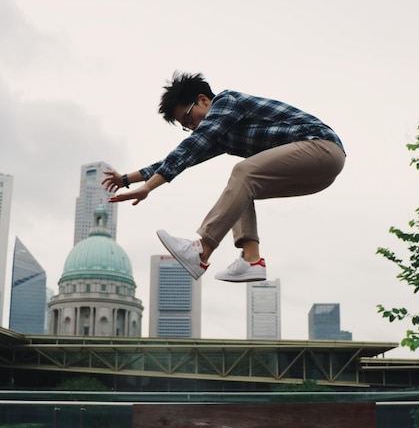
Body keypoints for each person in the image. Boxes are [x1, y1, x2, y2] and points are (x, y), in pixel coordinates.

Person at [102, 71, 345, 282]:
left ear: (204, 99)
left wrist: (149, 188)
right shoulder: (222, 133)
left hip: (321, 148)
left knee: (243, 172)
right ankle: (251, 260)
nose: (193, 128)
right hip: (317, 173)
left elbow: (192, 146)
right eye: (186, 127)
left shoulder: (228, 102)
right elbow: (184, 158)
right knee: (241, 188)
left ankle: (201, 250)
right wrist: (126, 179)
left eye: (188, 118)